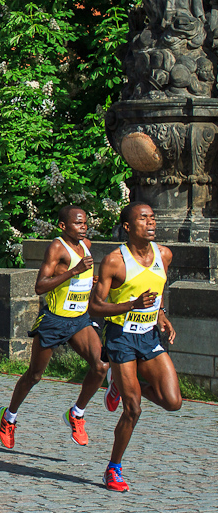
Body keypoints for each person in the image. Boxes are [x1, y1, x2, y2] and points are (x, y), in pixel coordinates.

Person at [0, 206, 109, 449]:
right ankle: (9, 417)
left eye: (85, 223)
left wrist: (91, 279)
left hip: (79, 319)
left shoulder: (86, 244)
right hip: (54, 320)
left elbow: (81, 279)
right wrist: (75, 271)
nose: (83, 227)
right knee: (34, 375)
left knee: (101, 365)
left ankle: (77, 414)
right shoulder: (57, 248)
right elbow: (40, 286)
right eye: (78, 223)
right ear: (63, 226)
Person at [89, 202, 182, 492]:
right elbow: (94, 307)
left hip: (148, 335)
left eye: (153, 218)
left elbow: (158, 290)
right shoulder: (115, 260)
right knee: (133, 409)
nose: (151, 223)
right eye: (143, 219)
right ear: (128, 227)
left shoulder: (163, 254)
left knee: (173, 401)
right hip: (121, 337)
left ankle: (119, 383)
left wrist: (161, 315)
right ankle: (113, 469)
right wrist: (131, 305)